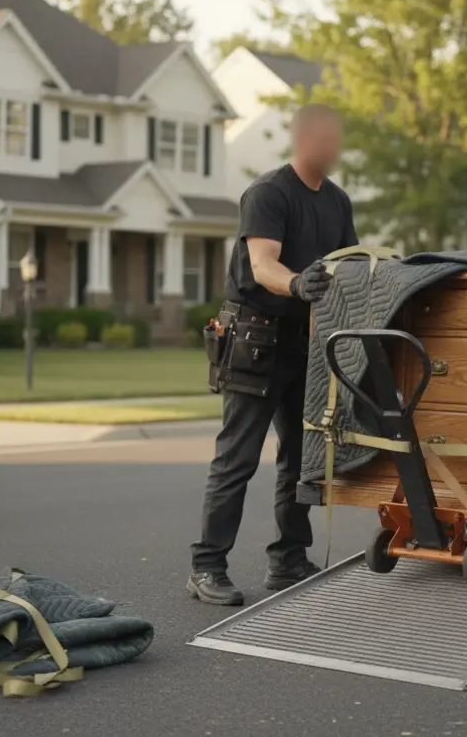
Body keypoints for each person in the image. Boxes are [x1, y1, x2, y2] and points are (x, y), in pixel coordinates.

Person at [189, 104, 357, 606]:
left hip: (305, 344)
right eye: (327, 136)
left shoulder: (338, 201)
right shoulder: (269, 193)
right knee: (236, 459)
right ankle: (206, 567)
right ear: (304, 138)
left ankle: (287, 560)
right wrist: (299, 282)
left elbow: (346, 266)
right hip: (255, 342)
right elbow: (263, 266)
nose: (334, 145)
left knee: (299, 460)